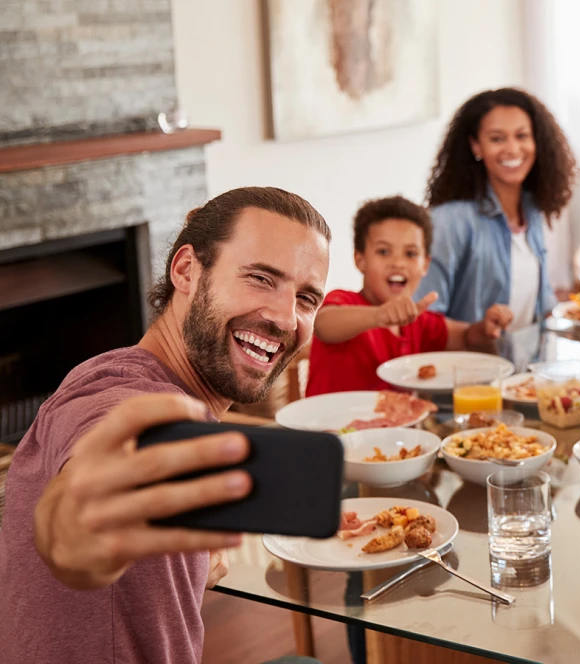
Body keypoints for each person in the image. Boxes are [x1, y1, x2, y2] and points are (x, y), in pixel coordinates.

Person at [0, 188, 330, 663]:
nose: (285, 317)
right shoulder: (130, 400)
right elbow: (84, 500)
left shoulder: (111, 367)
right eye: (260, 278)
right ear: (187, 271)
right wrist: (80, 528)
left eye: (306, 298)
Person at [306, 196, 513, 396]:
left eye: (411, 254)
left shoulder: (419, 321)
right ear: (360, 260)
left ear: (425, 265)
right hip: (327, 421)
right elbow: (324, 324)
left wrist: (485, 327)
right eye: (383, 252)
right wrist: (378, 316)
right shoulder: (345, 302)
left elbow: (466, 336)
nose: (398, 263)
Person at [415, 88, 577, 329]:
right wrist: (474, 334)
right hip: (469, 354)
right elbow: (424, 317)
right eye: (497, 139)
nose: (512, 149)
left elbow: (543, 306)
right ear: (476, 146)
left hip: (525, 353)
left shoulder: (532, 209)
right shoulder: (448, 221)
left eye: (522, 136)